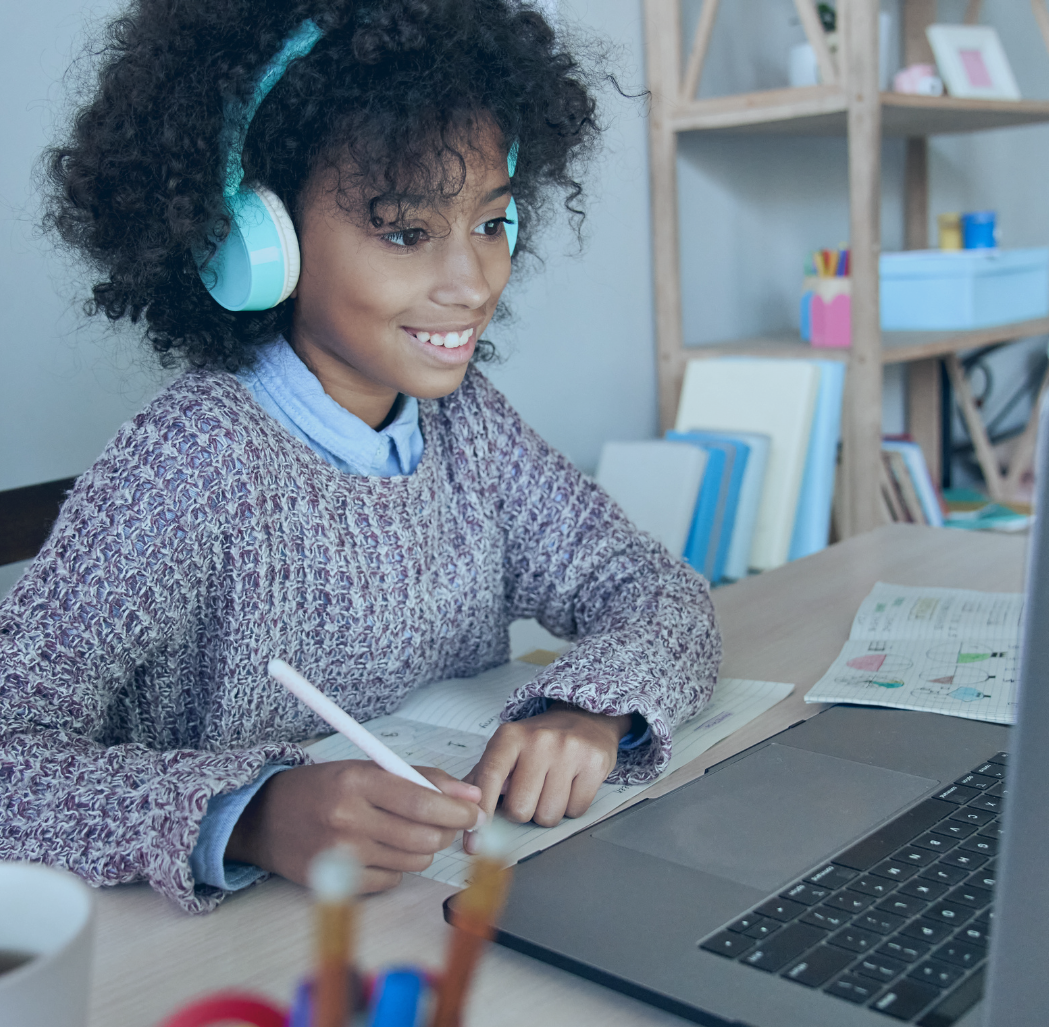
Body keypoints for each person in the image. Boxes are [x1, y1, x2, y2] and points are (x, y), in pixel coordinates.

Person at [0, 0, 720, 914]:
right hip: (239, 973)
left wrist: (593, 708)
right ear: (257, 242)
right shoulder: (183, 470)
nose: (471, 284)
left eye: (492, 224)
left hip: (434, 918)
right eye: (406, 232)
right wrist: (250, 814)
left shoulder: (467, 429)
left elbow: (657, 591)